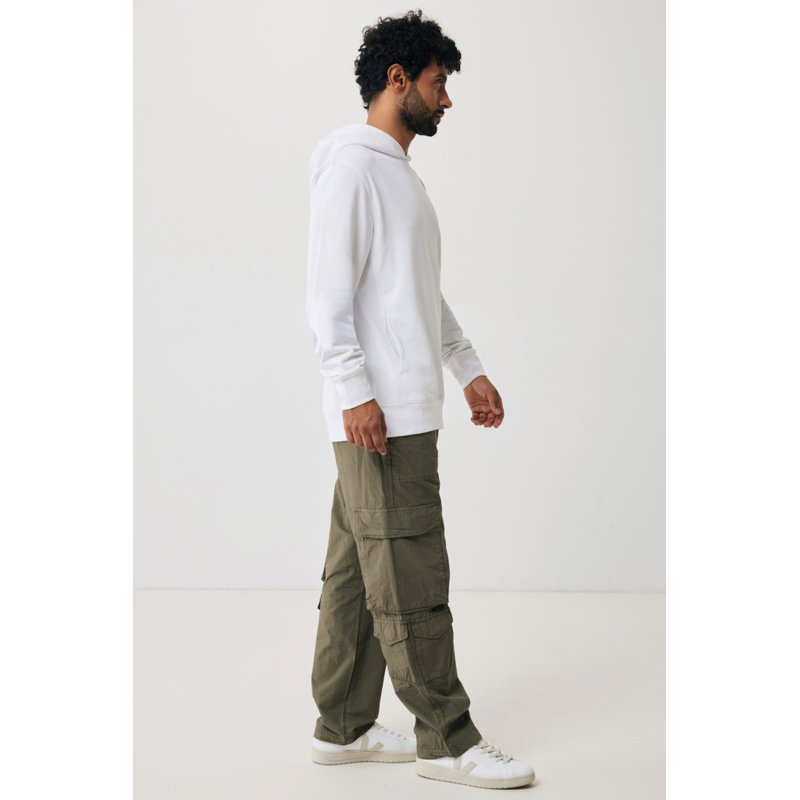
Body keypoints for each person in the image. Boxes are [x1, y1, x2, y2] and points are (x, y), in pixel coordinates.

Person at [304, 10, 535, 790]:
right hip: (382, 417)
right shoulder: (353, 170)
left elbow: (419, 295)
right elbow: (327, 299)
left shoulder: (398, 176)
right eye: (438, 83)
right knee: (412, 579)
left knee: (355, 578)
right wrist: (354, 394)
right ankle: (446, 738)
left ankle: (341, 725)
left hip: (398, 409)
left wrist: (468, 367)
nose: (447, 99)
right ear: (397, 79)